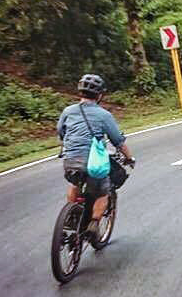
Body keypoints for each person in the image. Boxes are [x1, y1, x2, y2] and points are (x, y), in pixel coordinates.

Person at [57, 74, 135, 232]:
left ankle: (72, 216)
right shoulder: (104, 115)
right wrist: (129, 158)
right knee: (103, 191)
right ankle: (94, 223)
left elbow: (61, 131)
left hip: (70, 160)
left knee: (75, 183)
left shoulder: (67, 111)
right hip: (93, 163)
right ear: (100, 95)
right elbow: (118, 141)